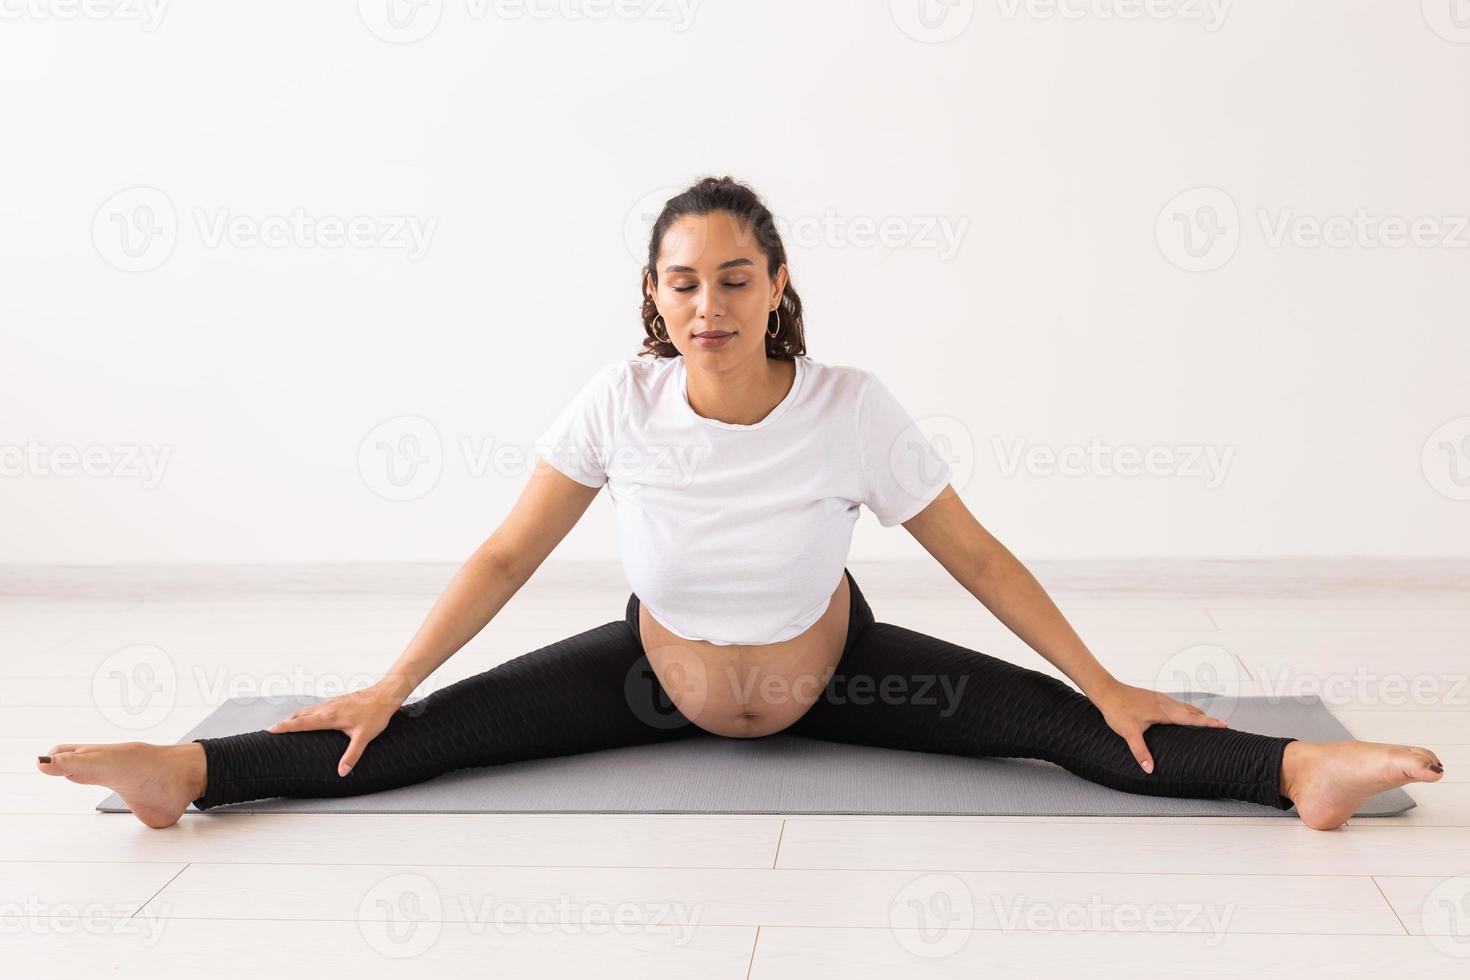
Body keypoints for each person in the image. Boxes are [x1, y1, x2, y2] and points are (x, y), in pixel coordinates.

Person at [38, 176, 1444, 831]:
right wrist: (386, 677)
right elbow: (508, 549)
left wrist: (1106, 676)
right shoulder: (617, 402)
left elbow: (974, 553)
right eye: (676, 278)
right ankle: (190, 776)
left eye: (726, 276)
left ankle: (1292, 775)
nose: (701, 302)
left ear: (774, 282)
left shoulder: (851, 406)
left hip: (847, 678)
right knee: (400, 745)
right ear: (651, 295)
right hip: (652, 680)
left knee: (1078, 738)